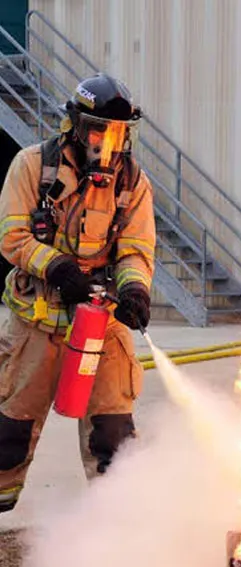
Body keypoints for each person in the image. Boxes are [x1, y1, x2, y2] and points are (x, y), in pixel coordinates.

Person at [0, 73, 155, 513]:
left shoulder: (132, 183)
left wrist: (134, 290)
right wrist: (59, 268)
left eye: (119, 133)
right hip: (36, 324)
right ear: (74, 126)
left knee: (113, 434)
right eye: (98, 130)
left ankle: (114, 525)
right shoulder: (33, 166)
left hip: (102, 324)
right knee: (9, 434)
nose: (108, 142)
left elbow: (136, 250)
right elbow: (12, 238)